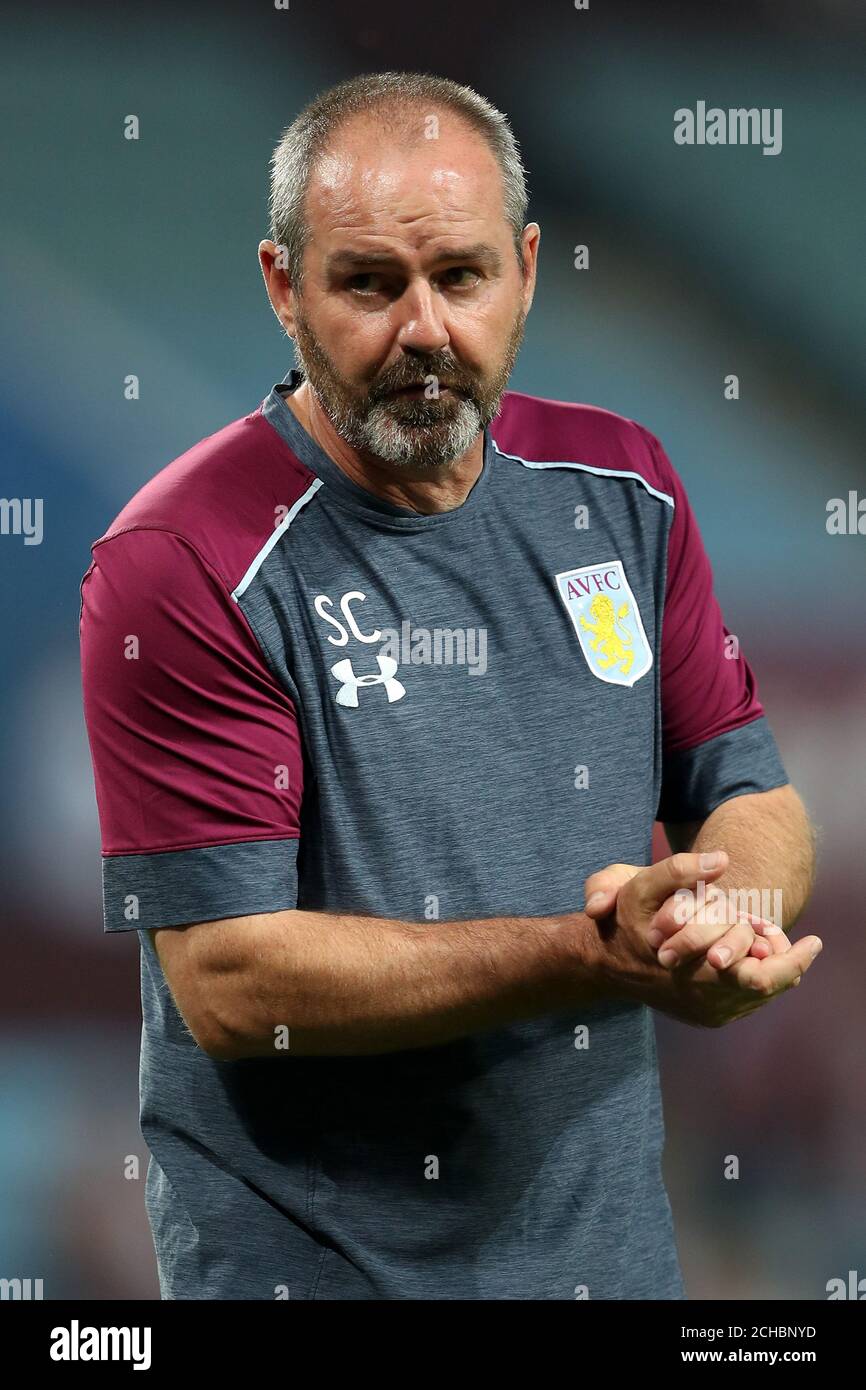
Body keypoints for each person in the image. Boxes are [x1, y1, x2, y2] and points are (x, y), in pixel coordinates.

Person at [79, 71, 820, 1301]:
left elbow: (745, 787)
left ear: (524, 268)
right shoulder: (183, 560)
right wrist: (590, 956)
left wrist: (715, 922)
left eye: (460, 277)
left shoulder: (621, 483)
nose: (423, 329)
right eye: (368, 282)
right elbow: (231, 981)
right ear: (281, 285)